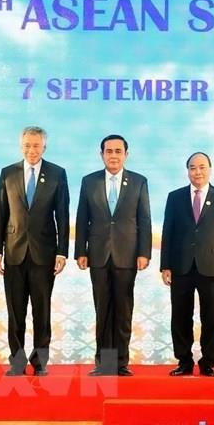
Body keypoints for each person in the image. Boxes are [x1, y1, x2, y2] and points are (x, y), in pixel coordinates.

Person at [0, 126, 69, 376]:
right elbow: (0, 214)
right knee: (15, 311)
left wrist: (62, 251)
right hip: (13, 252)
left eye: (36, 145)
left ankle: (40, 361)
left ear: (44, 147)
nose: (31, 150)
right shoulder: (8, 173)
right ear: (21, 146)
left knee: (41, 310)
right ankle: (16, 361)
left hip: (44, 254)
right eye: (27, 145)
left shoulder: (57, 174)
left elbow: (63, 216)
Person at [75, 134, 151, 376]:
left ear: (126, 154)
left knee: (123, 310)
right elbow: (81, 218)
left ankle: (120, 363)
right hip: (97, 255)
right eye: (109, 151)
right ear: (102, 154)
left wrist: (144, 252)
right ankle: (104, 364)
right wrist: (80, 251)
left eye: (118, 151)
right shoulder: (89, 182)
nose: (114, 155)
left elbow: (144, 220)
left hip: (127, 255)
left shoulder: (139, 182)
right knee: (103, 309)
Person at [160, 152, 214, 377]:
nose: (197, 172)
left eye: (202, 167)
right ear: (188, 171)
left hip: (211, 266)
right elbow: (168, 233)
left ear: (210, 169)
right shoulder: (175, 197)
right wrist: (165, 265)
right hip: (180, 266)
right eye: (193, 168)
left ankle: (207, 362)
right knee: (180, 316)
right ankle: (184, 361)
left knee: (211, 317)